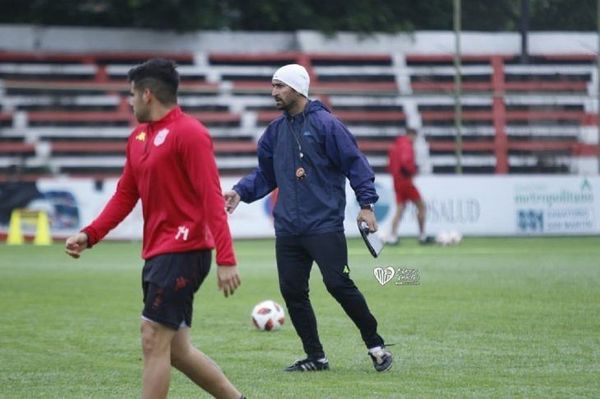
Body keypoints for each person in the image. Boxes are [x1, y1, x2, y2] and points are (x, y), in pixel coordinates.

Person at [64, 59, 245, 399]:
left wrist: (226, 257)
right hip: (157, 253)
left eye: (131, 95)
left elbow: (211, 198)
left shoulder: (191, 134)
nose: (129, 102)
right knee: (176, 350)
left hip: (185, 250)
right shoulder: (138, 138)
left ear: (147, 94)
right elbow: (125, 195)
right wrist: (90, 235)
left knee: (151, 336)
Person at [224, 64, 392, 373]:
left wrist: (366, 204)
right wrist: (240, 191)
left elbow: (356, 164)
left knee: (338, 284)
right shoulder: (274, 131)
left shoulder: (328, 125)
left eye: (279, 86)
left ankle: (376, 344)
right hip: (287, 228)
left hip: (323, 225)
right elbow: (265, 174)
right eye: (272, 86)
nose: (273, 92)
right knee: (292, 291)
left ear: (298, 89)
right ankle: (316, 357)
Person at [386, 127, 432, 245]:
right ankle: (422, 235)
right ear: (411, 135)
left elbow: (390, 164)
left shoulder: (395, 145)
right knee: (421, 206)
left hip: (396, 181)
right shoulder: (406, 145)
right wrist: (413, 170)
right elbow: (406, 162)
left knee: (400, 209)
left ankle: (392, 236)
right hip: (406, 181)